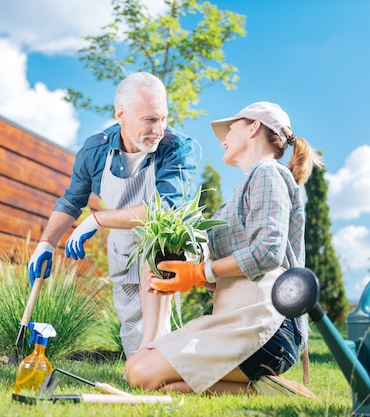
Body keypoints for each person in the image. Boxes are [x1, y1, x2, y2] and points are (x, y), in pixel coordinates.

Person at [124, 101, 322, 395]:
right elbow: (236, 271)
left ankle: (261, 386)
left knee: (141, 374)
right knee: (145, 371)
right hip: (236, 317)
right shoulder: (242, 190)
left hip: (267, 323)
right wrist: (193, 277)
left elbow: (268, 251)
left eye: (231, 128)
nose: (224, 139)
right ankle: (263, 387)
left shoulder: (268, 173)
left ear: (254, 127)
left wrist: (200, 271)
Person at [28, 72, 197, 358]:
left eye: (163, 119)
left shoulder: (177, 148)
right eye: (149, 120)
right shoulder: (95, 150)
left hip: (163, 252)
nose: (159, 129)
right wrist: (46, 243)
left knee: (159, 334)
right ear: (121, 114)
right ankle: (146, 372)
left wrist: (97, 219)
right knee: (135, 344)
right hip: (122, 250)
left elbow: (163, 209)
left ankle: (170, 367)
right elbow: (72, 201)